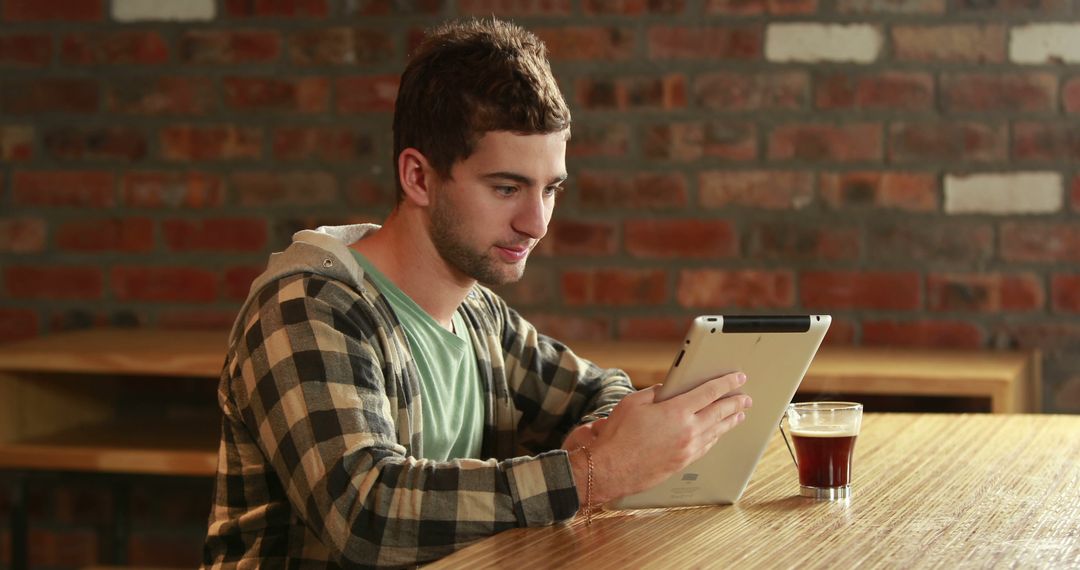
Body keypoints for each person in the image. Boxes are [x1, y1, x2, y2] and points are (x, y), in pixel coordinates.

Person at [202, 17, 751, 568]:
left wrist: (605, 437)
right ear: (418, 177)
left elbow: (597, 389)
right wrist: (598, 471)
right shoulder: (307, 310)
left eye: (550, 189)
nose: (536, 223)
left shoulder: (478, 314)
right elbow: (368, 513)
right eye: (507, 188)